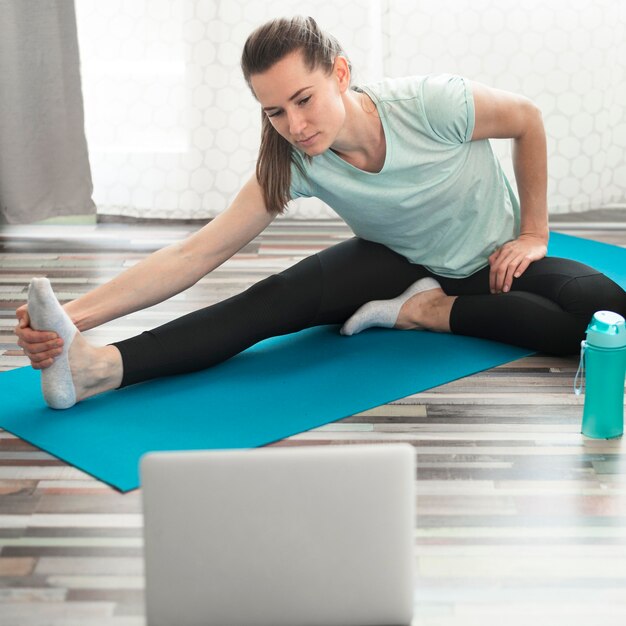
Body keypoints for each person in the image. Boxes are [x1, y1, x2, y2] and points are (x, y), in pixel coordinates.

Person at [14, 16, 626, 410]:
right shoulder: (292, 160)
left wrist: (533, 232)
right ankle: (99, 368)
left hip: (493, 257)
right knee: (268, 303)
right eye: (275, 111)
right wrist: (71, 317)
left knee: (608, 319)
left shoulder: (431, 104)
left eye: (303, 99)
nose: (295, 125)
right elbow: (195, 253)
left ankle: (430, 313)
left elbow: (527, 120)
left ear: (339, 73)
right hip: (394, 263)